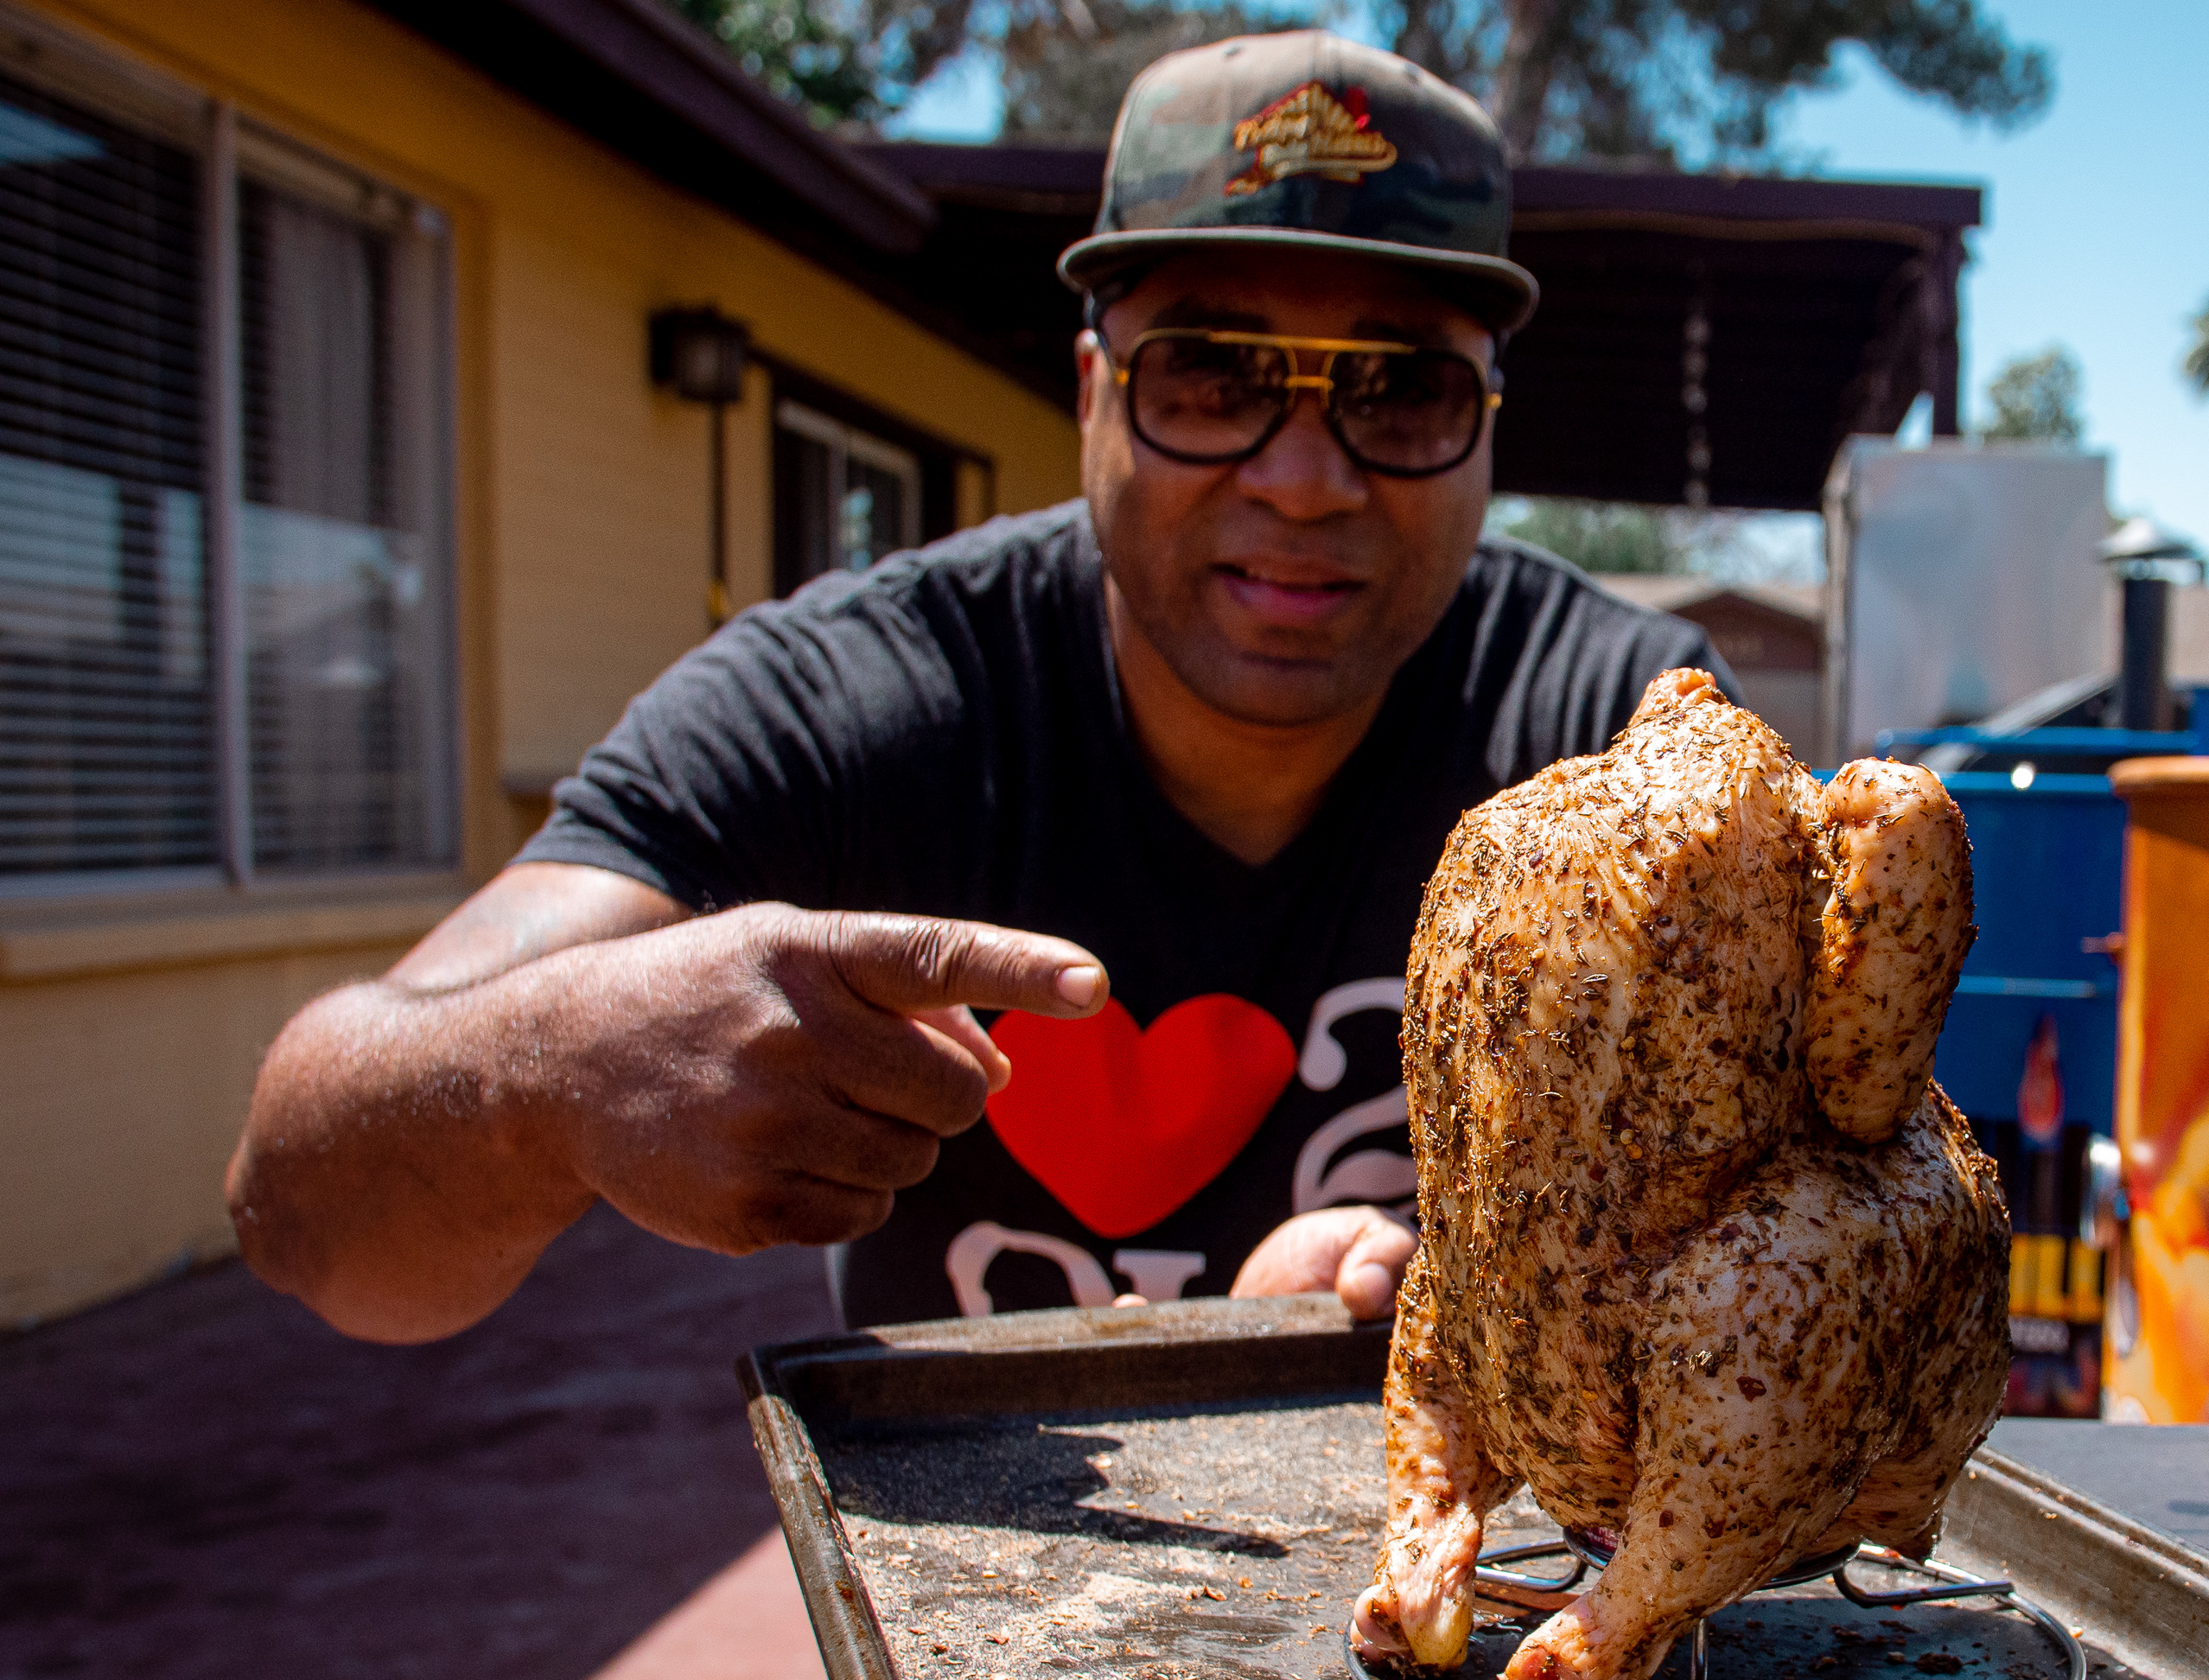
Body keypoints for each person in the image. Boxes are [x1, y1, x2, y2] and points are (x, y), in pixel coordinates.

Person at [226, 30, 1729, 1344]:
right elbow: (302, 1222)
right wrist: (546, 1076)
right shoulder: (850, 700)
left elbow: (1780, 1229)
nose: (1303, 477)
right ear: (1092, 397)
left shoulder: (1621, 733)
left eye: (1402, 392)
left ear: (1488, 428)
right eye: (1208, 377)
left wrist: (1443, 1299)